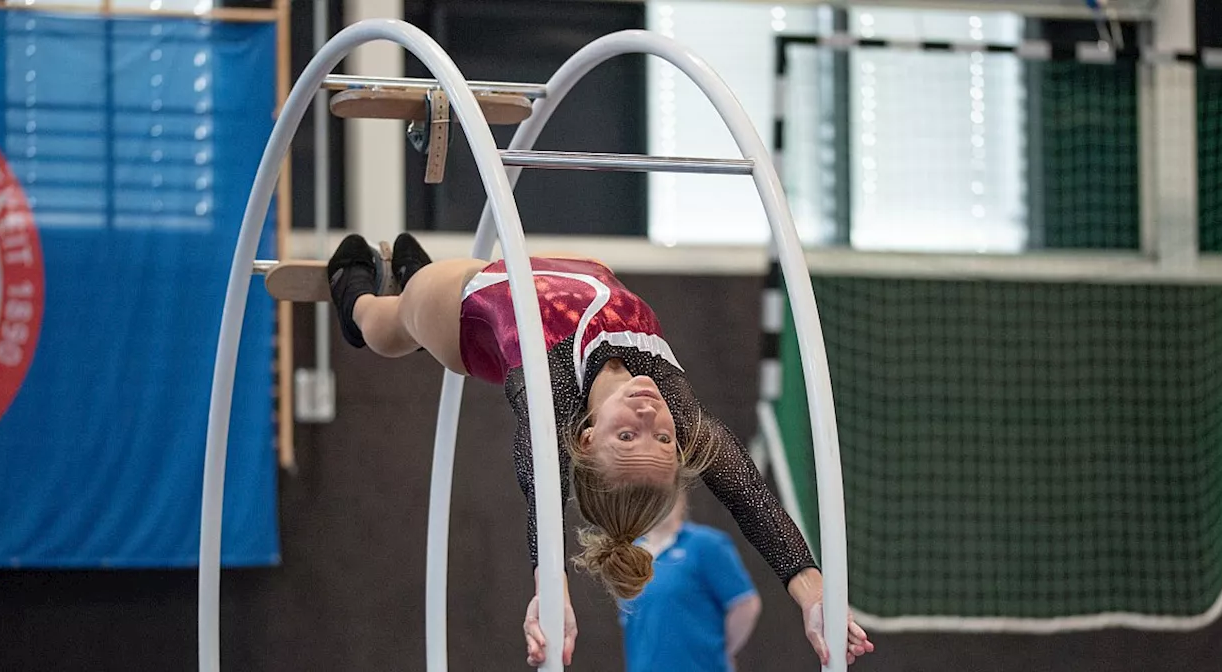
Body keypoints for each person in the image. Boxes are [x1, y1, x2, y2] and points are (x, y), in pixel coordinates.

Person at [325, 232, 874, 668]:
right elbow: (750, 497)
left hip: (465, 313)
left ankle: (357, 300)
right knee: (424, 280)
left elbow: (540, 477)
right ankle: (410, 272)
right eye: (663, 439)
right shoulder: (673, 407)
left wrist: (552, 587)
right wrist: (813, 595)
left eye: (628, 436)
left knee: (392, 321)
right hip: (541, 278)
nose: (650, 415)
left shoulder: (552, 393)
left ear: (585, 438)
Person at [617, 489, 762, 672]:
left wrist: (719, 650)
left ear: (681, 499)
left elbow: (745, 604)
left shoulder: (706, 544)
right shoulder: (630, 555)